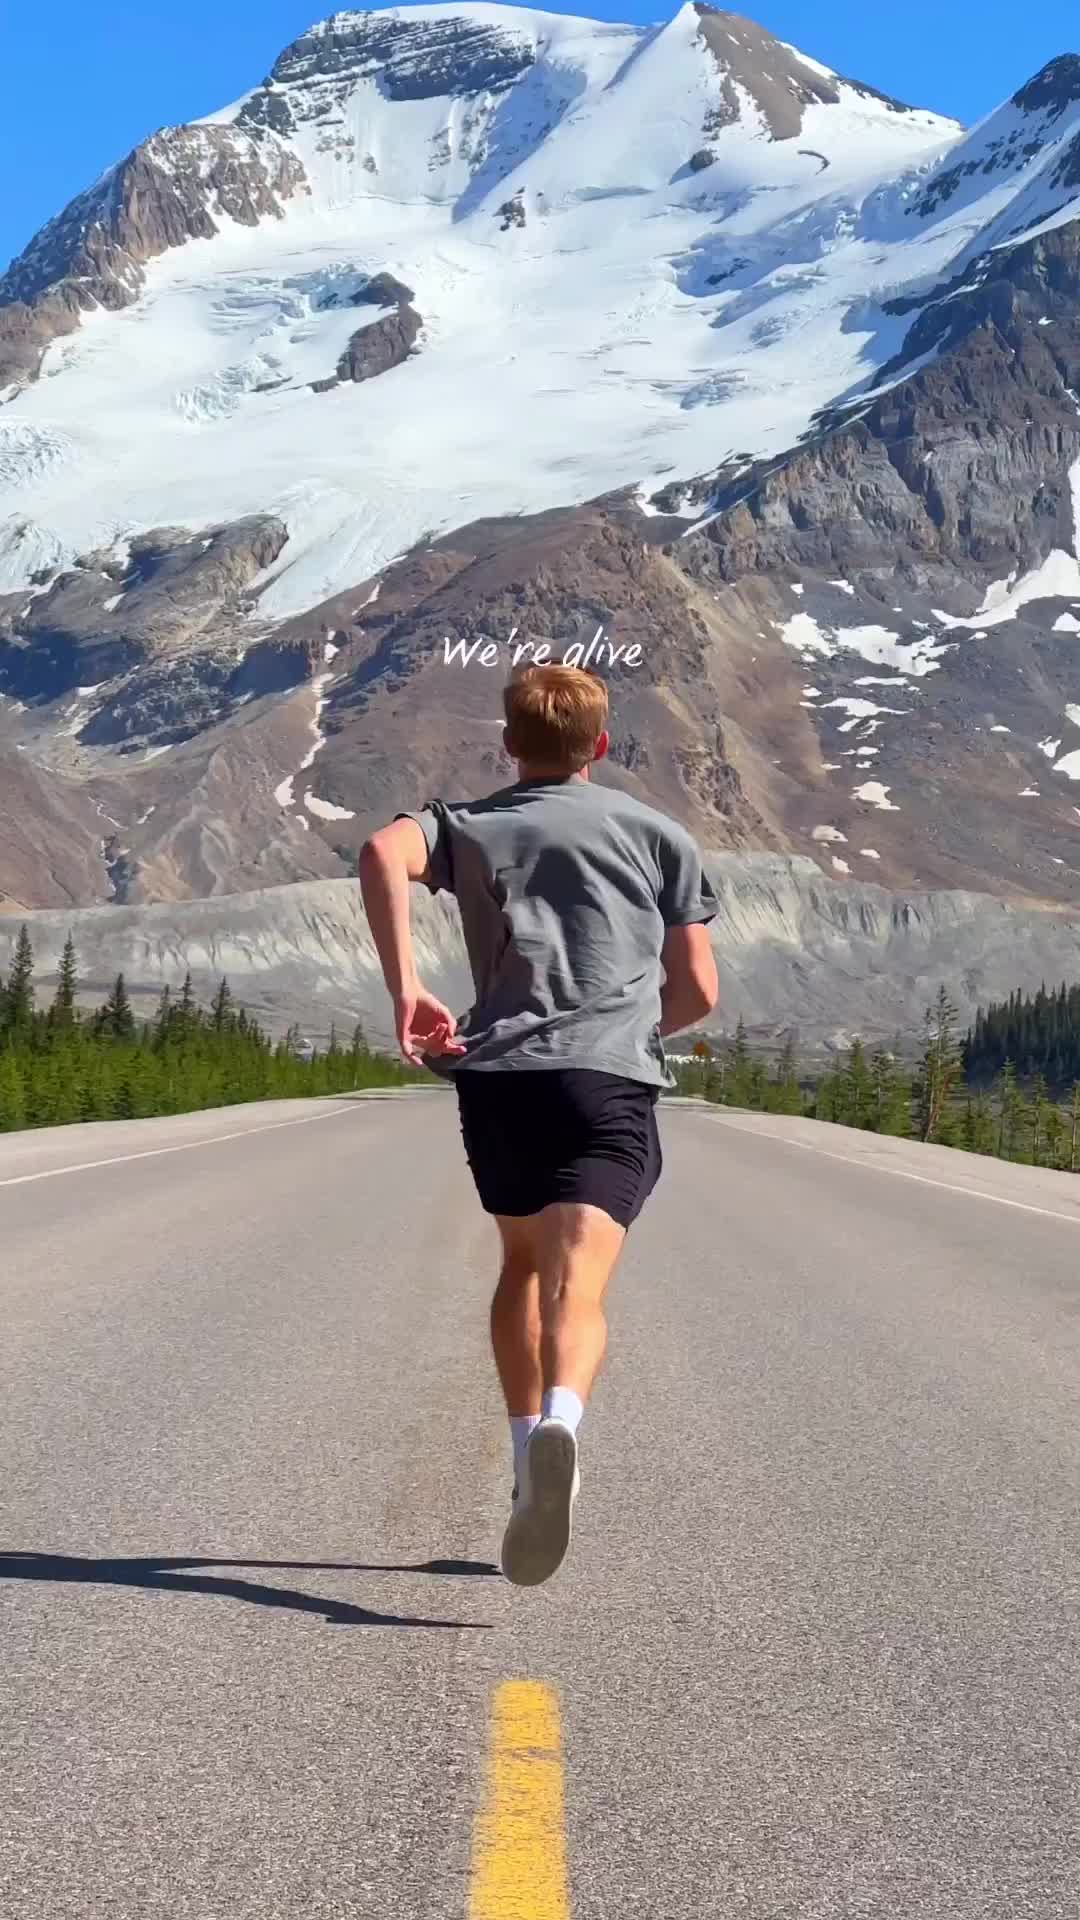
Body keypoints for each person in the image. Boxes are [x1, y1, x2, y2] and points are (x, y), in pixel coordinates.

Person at [358, 664, 719, 1586]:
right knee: (579, 1281)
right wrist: (637, 1027)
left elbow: (376, 853)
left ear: (509, 743)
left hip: (503, 1082)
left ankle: (528, 1454)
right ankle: (564, 1415)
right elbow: (699, 991)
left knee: (520, 1266)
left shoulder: (465, 826)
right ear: (601, 745)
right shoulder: (659, 836)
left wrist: (406, 991)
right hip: (607, 1081)